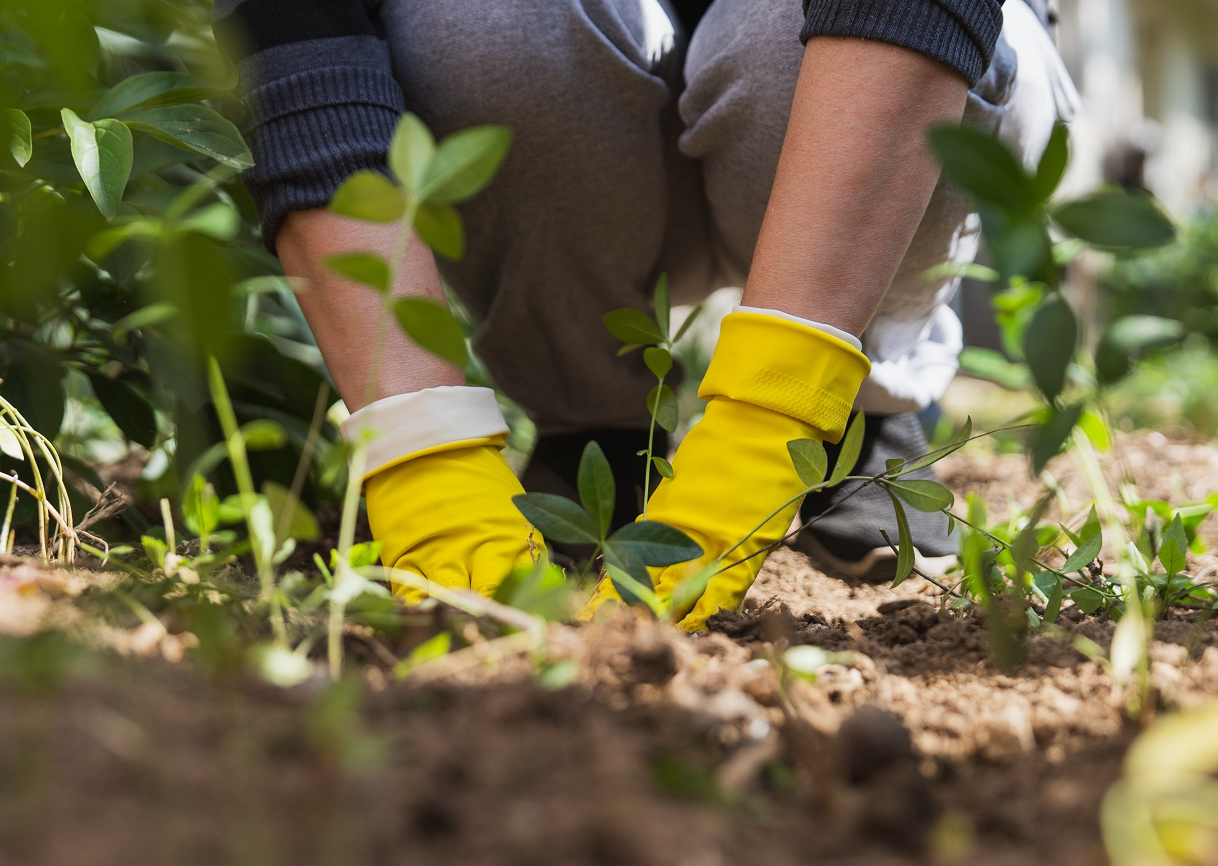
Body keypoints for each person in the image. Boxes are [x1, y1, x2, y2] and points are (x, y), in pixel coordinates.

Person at [213, 0, 1078, 630]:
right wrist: (419, 453)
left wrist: (766, 426)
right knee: (484, 25)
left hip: (873, 60)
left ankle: (863, 405)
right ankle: (594, 421)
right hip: (604, 111)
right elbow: (296, 38)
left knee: (775, 50)